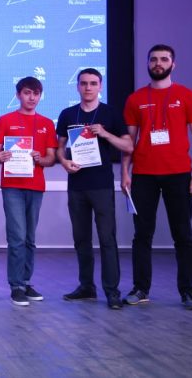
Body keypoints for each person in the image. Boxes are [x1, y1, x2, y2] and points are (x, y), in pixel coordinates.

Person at [121, 44, 192, 310]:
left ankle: (188, 292)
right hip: (143, 176)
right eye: (153, 59)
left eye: (164, 59)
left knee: (183, 235)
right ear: (148, 64)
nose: (158, 63)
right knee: (142, 235)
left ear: (173, 64)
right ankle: (141, 289)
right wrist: (125, 172)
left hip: (178, 175)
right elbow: (129, 142)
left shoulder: (187, 96)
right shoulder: (135, 99)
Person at [56, 68, 133, 310]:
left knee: (107, 238)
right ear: (77, 86)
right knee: (81, 239)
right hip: (77, 186)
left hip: (101, 186)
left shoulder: (110, 113)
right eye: (83, 83)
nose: (88, 87)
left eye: (92, 83)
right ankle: (86, 287)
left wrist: (106, 133)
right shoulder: (68, 114)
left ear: (100, 86)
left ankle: (112, 291)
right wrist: (64, 162)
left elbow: (128, 146)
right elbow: (59, 147)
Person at [0, 77, 57, 306]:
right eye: (27, 93)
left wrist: (41, 159)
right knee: (17, 236)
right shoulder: (5, 120)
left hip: (36, 186)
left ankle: (26, 282)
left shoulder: (47, 123)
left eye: (36, 93)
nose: (32, 97)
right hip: (12, 186)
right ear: (18, 94)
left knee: (30, 238)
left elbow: (51, 159)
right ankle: (16, 286)